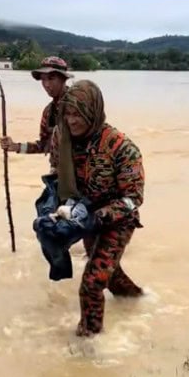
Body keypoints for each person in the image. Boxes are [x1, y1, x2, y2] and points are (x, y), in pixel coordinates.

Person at [50, 79, 145, 337]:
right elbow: (56, 175)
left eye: (78, 114)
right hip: (81, 213)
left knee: (92, 283)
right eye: (67, 113)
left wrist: (99, 216)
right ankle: (140, 302)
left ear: (93, 111)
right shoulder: (61, 137)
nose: (72, 120)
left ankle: (89, 346)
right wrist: (54, 209)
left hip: (118, 220)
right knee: (108, 275)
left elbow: (133, 198)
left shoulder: (121, 147)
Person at [0, 56, 73, 172]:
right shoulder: (48, 112)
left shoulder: (80, 104)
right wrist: (16, 146)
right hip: (58, 173)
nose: (46, 84)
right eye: (43, 80)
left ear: (63, 79)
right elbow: (44, 146)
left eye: (51, 78)